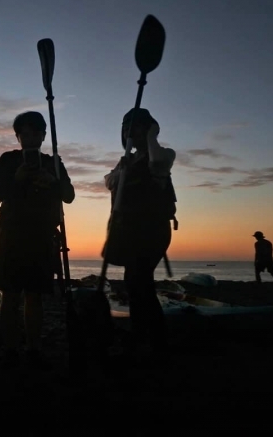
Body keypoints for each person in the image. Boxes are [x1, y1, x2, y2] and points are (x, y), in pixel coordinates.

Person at [0, 111, 75, 369]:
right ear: (17, 136)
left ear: (43, 136)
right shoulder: (7, 160)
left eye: (35, 132)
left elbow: (69, 196)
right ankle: (11, 347)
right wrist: (17, 178)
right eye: (24, 133)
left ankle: (34, 347)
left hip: (41, 236)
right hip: (11, 235)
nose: (29, 138)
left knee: (35, 296)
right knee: (11, 294)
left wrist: (52, 182)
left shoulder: (54, 164)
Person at [101, 107, 176, 358]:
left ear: (149, 128)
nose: (129, 132)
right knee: (135, 284)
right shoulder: (126, 161)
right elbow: (109, 181)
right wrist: (122, 168)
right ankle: (144, 335)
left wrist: (152, 136)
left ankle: (154, 340)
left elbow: (157, 164)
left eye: (135, 126)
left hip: (152, 230)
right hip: (128, 230)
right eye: (125, 128)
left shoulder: (163, 153)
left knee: (140, 282)